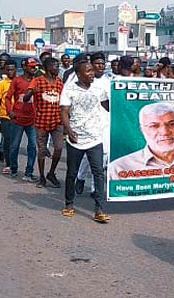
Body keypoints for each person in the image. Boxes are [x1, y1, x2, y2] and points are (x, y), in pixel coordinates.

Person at [59, 60, 110, 223]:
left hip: (95, 137)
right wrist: (68, 130)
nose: (92, 73)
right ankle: (69, 204)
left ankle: (99, 209)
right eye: (88, 71)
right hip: (76, 137)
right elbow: (64, 112)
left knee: (98, 172)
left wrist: (125, 106)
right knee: (72, 172)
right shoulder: (69, 89)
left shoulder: (98, 88)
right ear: (79, 74)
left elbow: (106, 105)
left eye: (92, 71)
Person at [108, 102, 174, 179]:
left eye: (172, 124)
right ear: (142, 130)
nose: (164, 132)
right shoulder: (119, 168)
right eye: (154, 126)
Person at [24, 57, 64, 188]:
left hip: (57, 121)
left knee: (58, 148)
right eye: (55, 66)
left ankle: (51, 172)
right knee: (41, 150)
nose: (57, 69)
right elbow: (25, 98)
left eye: (58, 67)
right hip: (41, 121)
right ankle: (41, 176)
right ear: (47, 68)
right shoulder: (37, 81)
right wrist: (31, 93)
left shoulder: (60, 83)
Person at [75, 52, 110, 196]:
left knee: (104, 155)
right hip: (89, 123)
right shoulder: (85, 81)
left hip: (106, 123)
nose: (101, 66)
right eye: (97, 63)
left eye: (103, 63)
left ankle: (95, 188)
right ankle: (80, 177)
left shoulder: (109, 81)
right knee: (87, 155)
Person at [6, 57, 38, 181]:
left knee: (32, 146)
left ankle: (29, 172)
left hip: (32, 119)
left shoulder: (36, 81)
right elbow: (8, 98)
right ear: (24, 67)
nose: (33, 68)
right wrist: (10, 112)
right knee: (14, 146)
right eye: (31, 66)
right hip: (18, 118)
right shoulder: (17, 81)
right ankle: (13, 168)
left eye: (35, 66)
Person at [0, 59, 17, 174]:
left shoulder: (20, 82)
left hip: (18, 117)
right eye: (8, 70)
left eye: (12, 69)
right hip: (5, 116)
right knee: (7, 140)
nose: (10, 72)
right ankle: (9, 164)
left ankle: (13, 163)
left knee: (15, 142)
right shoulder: (2, 84)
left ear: (16, 70)